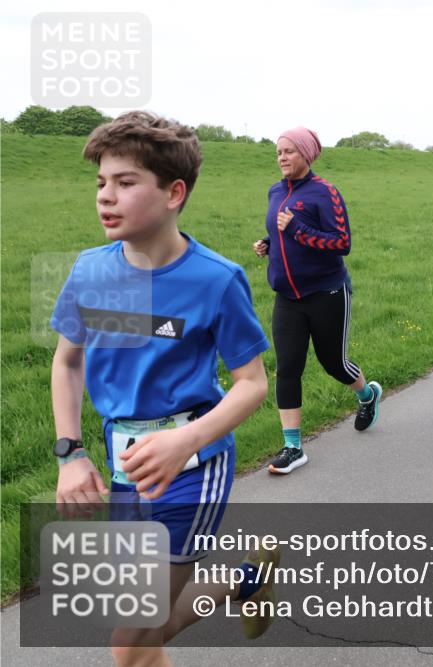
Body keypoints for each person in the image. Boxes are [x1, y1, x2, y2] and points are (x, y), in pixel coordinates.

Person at [50, 111, 278, 664]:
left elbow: (252, 383)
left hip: (192, 471)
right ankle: (242, 580)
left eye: (126, 183)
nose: (106, 196)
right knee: (147, 625)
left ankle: (240, 579)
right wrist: (70, 453)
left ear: (174, 192)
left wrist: (188, 441)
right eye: (101, 183)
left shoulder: (216, 279)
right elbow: (67, 364)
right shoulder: (89, 271)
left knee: (130, 638)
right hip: (125, 466)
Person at [252, 127, 382, 475]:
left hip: (326, 293)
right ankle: (293, 447)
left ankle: (367, 395)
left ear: (307, 155)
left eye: (290, 151)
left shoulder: (325, 193)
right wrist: (269, 243)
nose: (282, 157)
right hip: (287, 297)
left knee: (333, 364)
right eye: (279, 151)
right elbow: (281, 229)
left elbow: (341, 243)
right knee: (287, 367)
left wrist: (296, 230)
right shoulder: (275, 191)